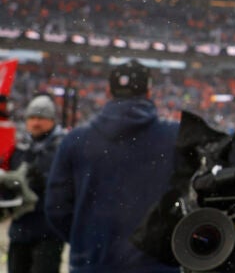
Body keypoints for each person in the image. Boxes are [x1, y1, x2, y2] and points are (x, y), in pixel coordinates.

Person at [45, 59, 179, 273]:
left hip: (93, 263)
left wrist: (86, 239)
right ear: (148, 92)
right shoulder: (176, 137)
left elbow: (56, 207)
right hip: (156, 265)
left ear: (108, 91)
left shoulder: (76, 140)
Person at [6, 94, 66, 273]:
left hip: (49, 231)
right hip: (20, 229)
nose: (35, 123)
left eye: (41, 118)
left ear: (52, 120)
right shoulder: (19, 148)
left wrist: (45, 182)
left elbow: (68, 187)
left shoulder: (62, 149)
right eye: (31, 118)